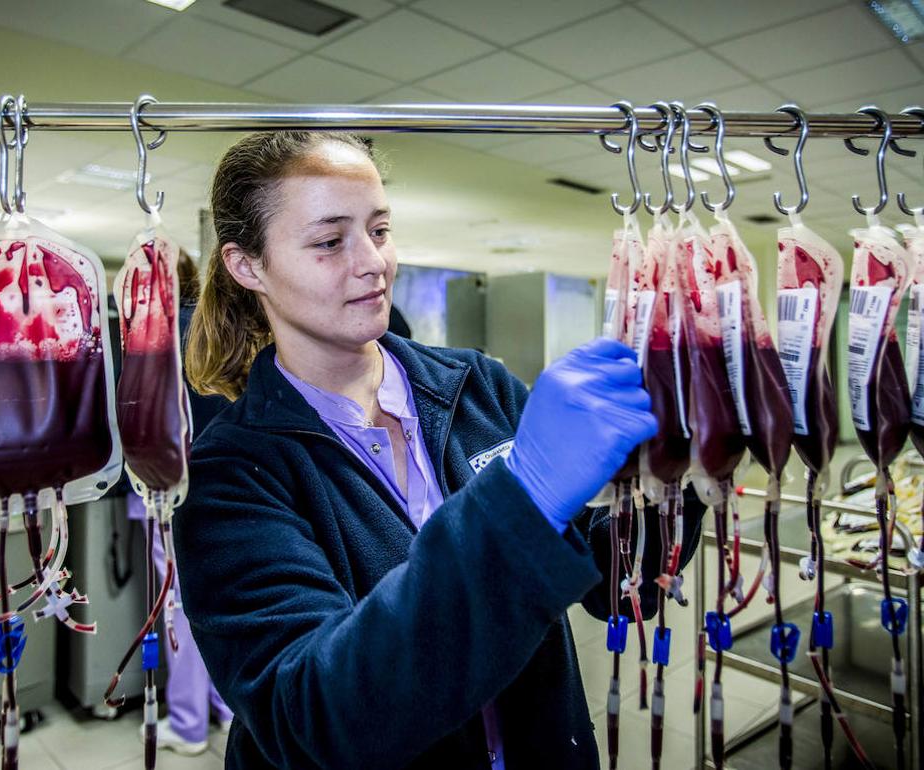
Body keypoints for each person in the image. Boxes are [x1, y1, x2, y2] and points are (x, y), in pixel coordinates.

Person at [175, 131, 707, 769]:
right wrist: (524, 499)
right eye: (328, 241)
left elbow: (616, 583)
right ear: (247, 265)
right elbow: (316, 714)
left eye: (379, 230)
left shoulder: (475, 386)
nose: (372, 262)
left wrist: (676, 472)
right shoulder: (230, 476)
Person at [126, 246, 233, 756]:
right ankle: (230, 708)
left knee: (177, 604)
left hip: (169, 488)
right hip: (224, 484)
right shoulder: (217, 329)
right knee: (223, 595)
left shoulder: (153, 338)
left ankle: (189, 723)